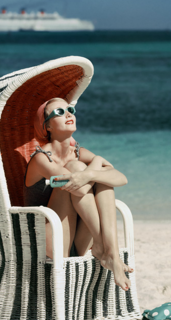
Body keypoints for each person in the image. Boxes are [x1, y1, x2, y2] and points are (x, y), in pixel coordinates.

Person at [24, 97, 133, 291]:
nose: (68, 114)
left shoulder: (78, 152)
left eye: (70, 110)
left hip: (80, 237)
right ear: (47, 126)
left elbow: (121, 178)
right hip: (52, 237)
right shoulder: (41, 159)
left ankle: (109, 251)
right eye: (59, 112)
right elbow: (79, 187)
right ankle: (106, 248)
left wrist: (92, 171)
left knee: (101, 180)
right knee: (83, 171)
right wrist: (98, 163)